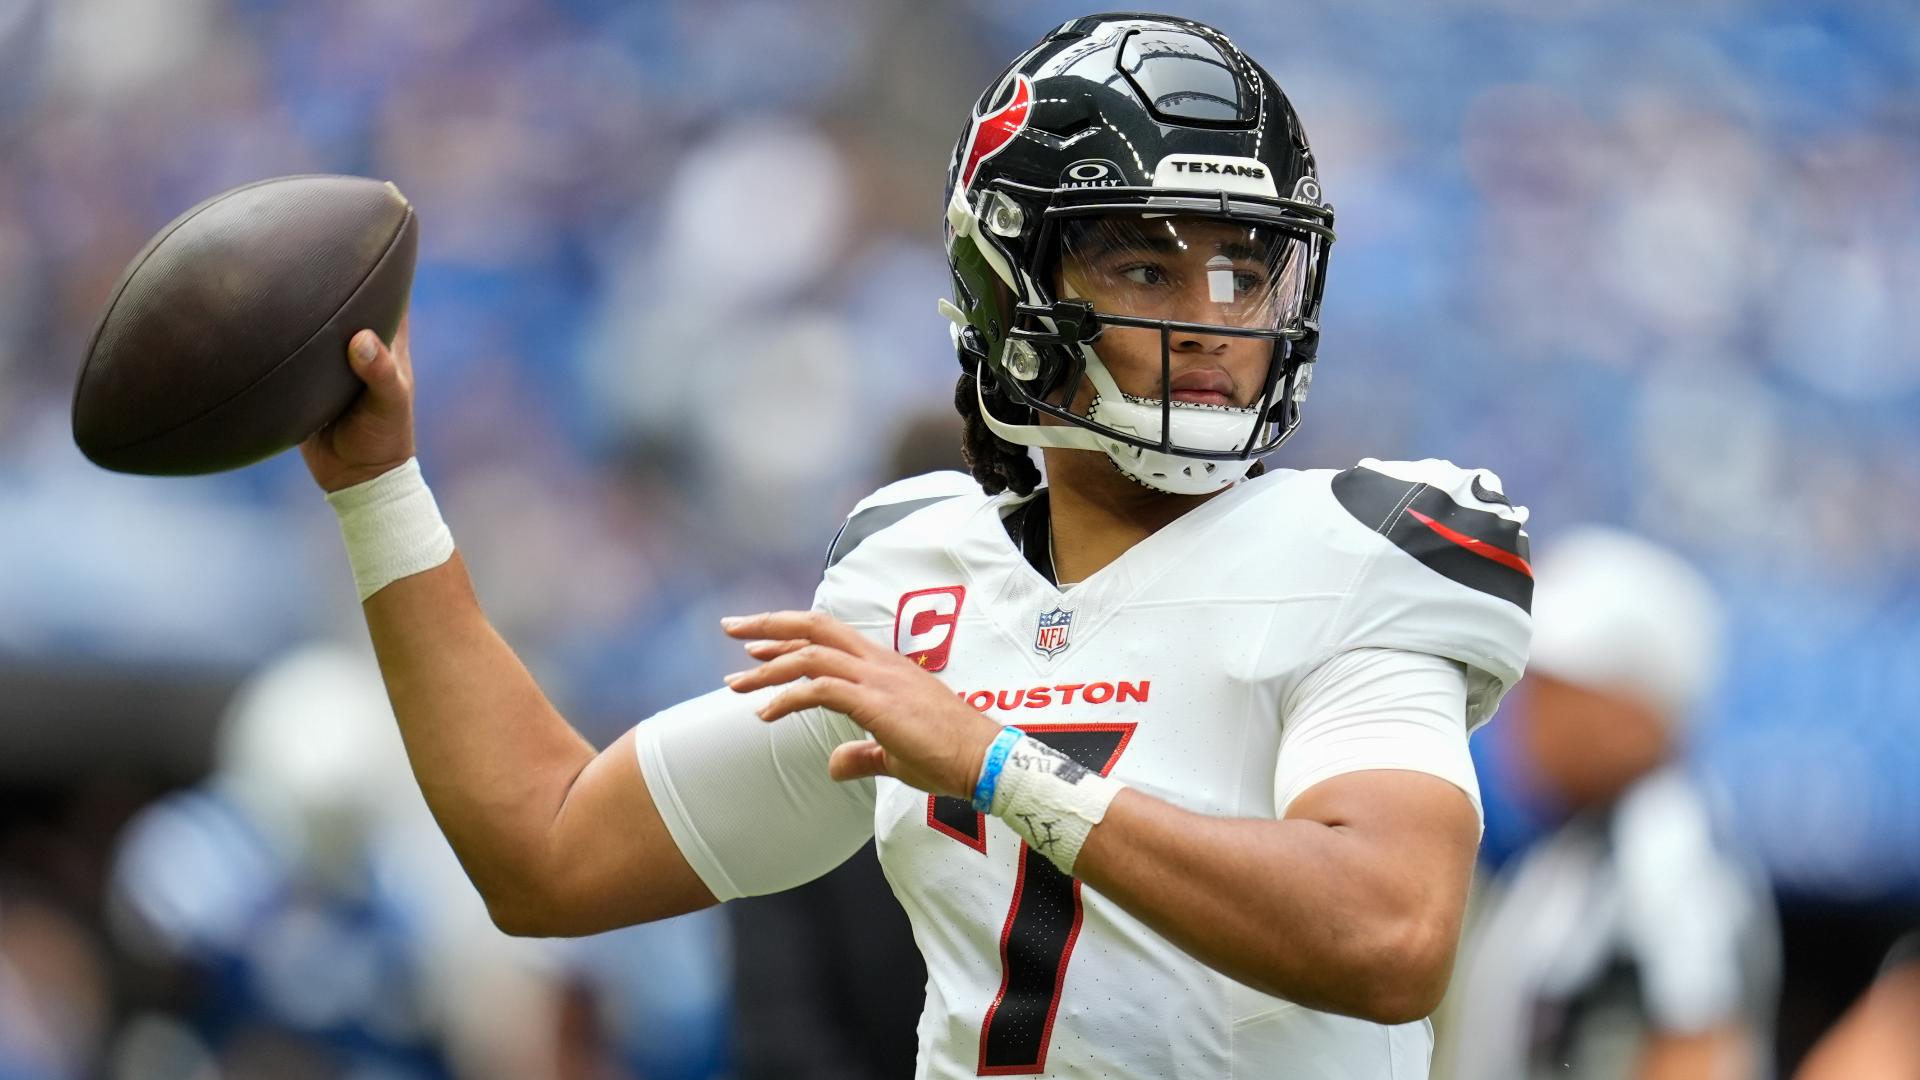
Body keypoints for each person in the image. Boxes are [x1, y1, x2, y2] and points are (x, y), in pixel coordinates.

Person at [300, 13, 1532, 1077]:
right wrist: (379, 490)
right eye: (1150, 266)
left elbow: (1387, 937)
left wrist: (997, 764)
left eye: (1245, 269)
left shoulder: (1355, 555)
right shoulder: (919, 573)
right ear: (1012, 287)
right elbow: (546, 852)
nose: (1213, 321)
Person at [1441, 528, 1777, 1080]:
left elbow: (1696, 1052)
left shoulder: (1666, 847)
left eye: (1552, 686)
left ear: (1633, 706)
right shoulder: (1577, 847)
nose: (1522, 714)